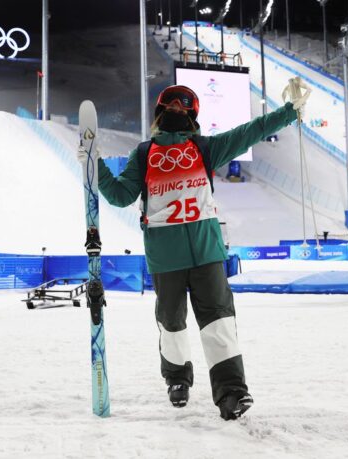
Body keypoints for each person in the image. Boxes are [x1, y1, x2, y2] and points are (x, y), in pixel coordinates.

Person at [78, 82, 309, 420]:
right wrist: (93, 164)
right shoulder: (143, 154)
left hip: (207, 253)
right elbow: (119, 195)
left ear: (193, 117)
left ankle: (231, 394)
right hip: (165, 255)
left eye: (183, 108)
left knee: (219, 323)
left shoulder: (204, 148)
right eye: (170, 107)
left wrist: (288, 113)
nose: (176, 111)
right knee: (171, 323)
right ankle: (177, 381)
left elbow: (249, 132)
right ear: (159, 114)